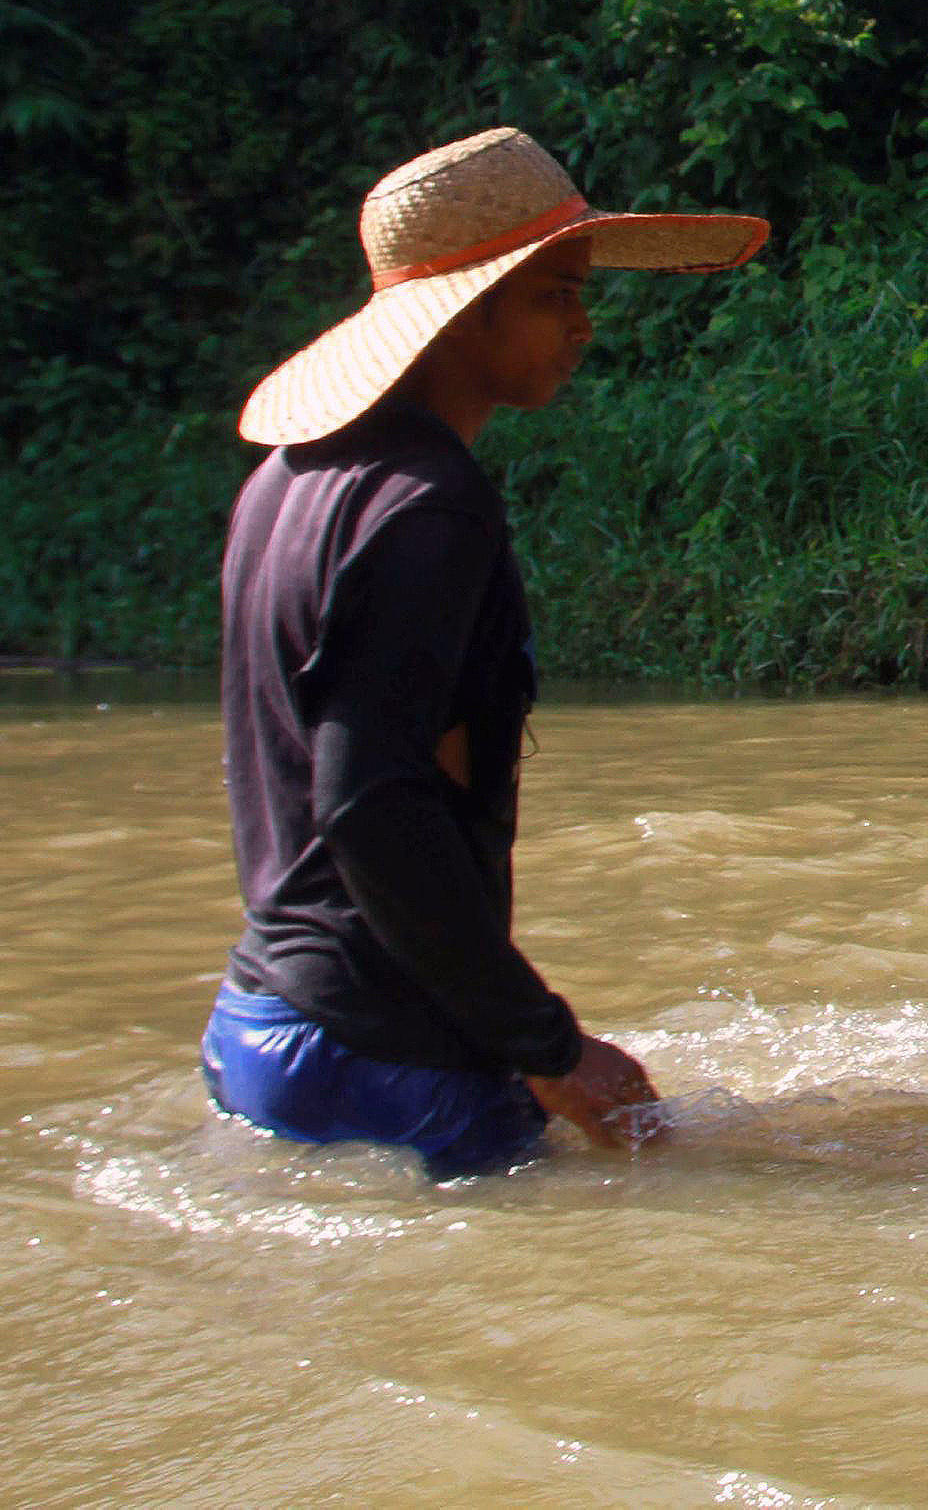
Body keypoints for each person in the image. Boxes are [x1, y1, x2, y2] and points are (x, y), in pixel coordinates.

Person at [200, 126, 766, 1179]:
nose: (583, 326)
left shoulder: (287, 479)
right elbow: (372, 801)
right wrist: (549, 1048)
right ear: (465, 309)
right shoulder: (431, 506)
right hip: (379, 1052)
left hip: (258, 1022)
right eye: (555, 292)